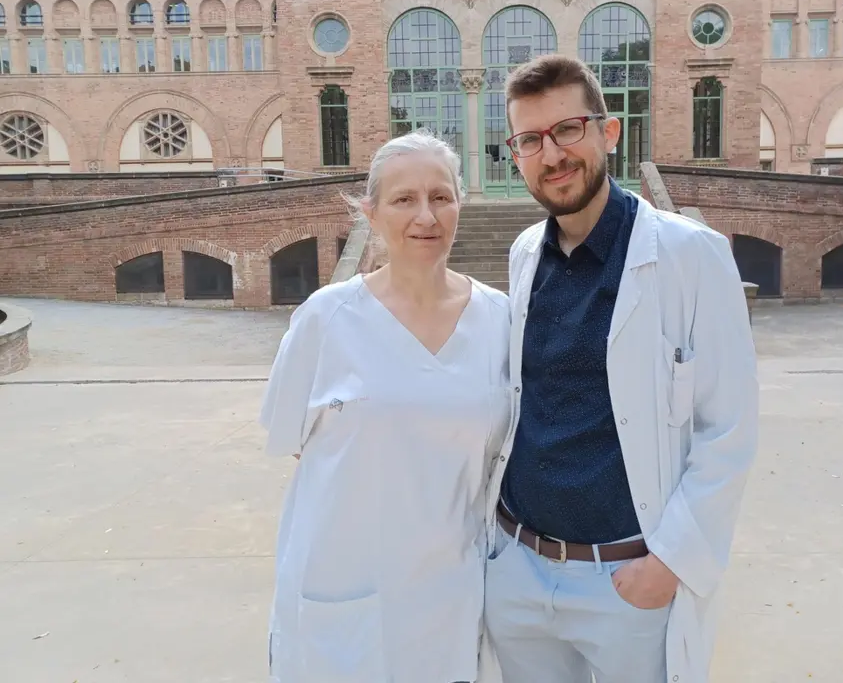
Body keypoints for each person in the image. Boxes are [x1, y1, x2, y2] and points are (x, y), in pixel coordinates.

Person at [481, 54, 759, 683]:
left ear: (609, 133)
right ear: (516, 154)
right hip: (519, 571)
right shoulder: (526, 252)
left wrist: (670, 562)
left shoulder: (690, 255)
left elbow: (730, 427)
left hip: (627, 580)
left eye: (567, 130)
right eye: (530, 140)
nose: (552, 155)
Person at [258, 128, 515, 683]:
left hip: (451, 594)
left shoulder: (502, 320)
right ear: (370, 214)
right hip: (343, 589)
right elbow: (294, 446)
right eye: (404, 199)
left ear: (459, 205)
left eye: (440, 196)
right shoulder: (325, 320)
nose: (425, 216)